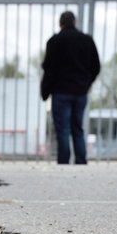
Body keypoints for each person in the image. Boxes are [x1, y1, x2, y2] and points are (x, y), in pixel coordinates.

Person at [41, 11, 101, 164]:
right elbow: (96, 67)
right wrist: (86, 84)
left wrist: (45, 91)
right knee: (77, 129)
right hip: (80, 92)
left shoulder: (55, 41)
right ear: (75, 22)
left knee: (63, 130)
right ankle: (81, 161)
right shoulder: (87, 41)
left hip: (61, 92)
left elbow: (49, 69)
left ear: (60, 24)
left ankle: (63, 163)